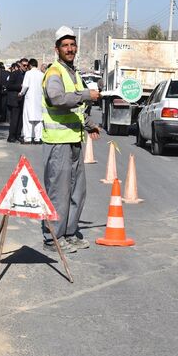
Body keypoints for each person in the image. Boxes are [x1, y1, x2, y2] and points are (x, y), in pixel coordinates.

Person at [41, 26, 100, 253]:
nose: (70, 49)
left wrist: (89, 124)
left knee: (77, 191)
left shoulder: (73, 73)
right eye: (65, 45)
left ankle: (69, 232)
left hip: (74, 139)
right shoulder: (54, 72)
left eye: (72, 45)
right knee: (58, 192)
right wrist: (86, 94)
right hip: (57, 142)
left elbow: (76, 108)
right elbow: (56, 99)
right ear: (57, 49)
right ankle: (52, 238)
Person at [20, 58, 43, 143]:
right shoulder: (42, 74)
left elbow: (25, 86)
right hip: (39, 99)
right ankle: (38, 138)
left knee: (27, 119)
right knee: (39, 120)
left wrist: (21, 93)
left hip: (29, 99)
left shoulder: (28, 73)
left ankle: (28, 138)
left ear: (30, 65)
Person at [6, 59, 27, 143]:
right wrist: (20, 86)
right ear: (20, 65)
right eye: (24, 65)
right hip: (15, 100)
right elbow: (9, 86)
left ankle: (18, 135)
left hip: (22, 100)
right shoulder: (14, 74)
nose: (25, 67)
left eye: (26, 65)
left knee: (20, 119)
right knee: (14, 119)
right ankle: (11, 136)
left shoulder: (26, 74)